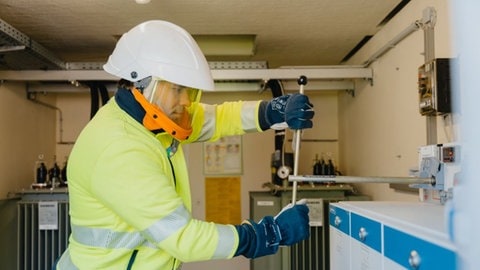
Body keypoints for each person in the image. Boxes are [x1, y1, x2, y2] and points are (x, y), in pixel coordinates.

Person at [55, 20, 314, 269]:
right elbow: (183, 238)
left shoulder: (151, 121)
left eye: (188, 91)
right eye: (178, 89)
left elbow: (217, 118)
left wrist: (270, 112)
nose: (186, 101)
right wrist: (267, 234)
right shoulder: (120, 148)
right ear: (141, 83)